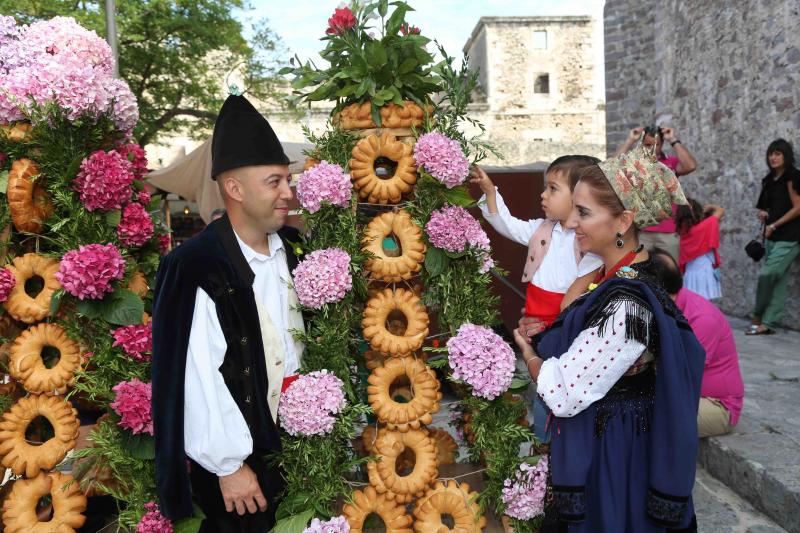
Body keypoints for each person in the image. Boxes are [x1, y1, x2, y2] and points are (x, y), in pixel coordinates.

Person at [515, 146, 705, 532]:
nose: (571, 222)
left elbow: (564, 393)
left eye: (584, 212)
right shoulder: (606, 278)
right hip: (610, 441)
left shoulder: (626, 305)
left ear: (624, 221)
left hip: (617, 456)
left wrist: (529, 354)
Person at [151, 94, 305, 531]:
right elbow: (194, 373)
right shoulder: (196, 264)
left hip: (306, 449)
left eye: (287, 181)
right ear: (234, 189)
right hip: (243, 473)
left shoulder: (296, 250)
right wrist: (229, 464)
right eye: (274, 182)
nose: (287, 193)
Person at [471, 157, 603, 442]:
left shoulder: (590, 244)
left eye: (553, 189)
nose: (543, 195)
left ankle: (558, 449)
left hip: (566, 331)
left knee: (560, 391)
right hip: (537, 327)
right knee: (544, 394)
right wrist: (491, 193)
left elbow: (578, 299)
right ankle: (545, 448)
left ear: (580, 195)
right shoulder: (543, 230)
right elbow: (507, 225)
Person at [651, 248, 744, 438]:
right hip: (687, 397)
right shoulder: (664, 309)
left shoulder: (702, 318)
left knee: (643, 419)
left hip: (716, 405)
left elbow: (680, 374)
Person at [614, 125, 698, 260]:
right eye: (647, 145)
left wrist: (673, 139)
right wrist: (630, 140)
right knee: (640, 274)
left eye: (656, 145)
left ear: (662, 145)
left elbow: (690, 166)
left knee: (670, 275)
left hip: (668, 232)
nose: (651, 149)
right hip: (641, 233)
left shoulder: (670, 162)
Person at [747, 138, 800, 335]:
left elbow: (798, 207)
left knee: (767, 274)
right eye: (771, 153)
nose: (773, 157)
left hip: (790, 237)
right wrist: (764, 214)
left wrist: (775, 224)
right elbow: (765, 208)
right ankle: (769, 323)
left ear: (786, 155)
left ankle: (757, 315)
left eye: (778, 153)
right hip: (770, 237)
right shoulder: (768, 180)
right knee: (779, 280)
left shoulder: (793, 177)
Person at [675, 198, 724, 300]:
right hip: (705, 273)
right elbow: (721, 211)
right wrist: (711, 207)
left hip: (689, 275)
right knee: (705, 305)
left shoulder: (684, 234)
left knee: (692, 305)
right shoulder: (706, 225)